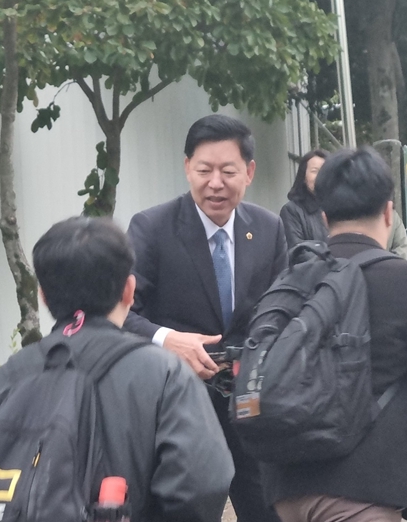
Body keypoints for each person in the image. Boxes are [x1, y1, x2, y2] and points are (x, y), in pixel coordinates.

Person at [0, 217, 235, 522]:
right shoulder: (165, 374)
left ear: (43, 296)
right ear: (129, 290)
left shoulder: (7, 377)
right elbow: (203, 484)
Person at [261, 147, 407, 522]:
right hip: (368, 490)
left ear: (324, 217)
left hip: (287, 489)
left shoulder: (294, 276)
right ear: (388, 212)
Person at [124, 114, 287, 522]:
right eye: (204, 170)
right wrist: (166, 339)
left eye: (228, 171)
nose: (215, 183)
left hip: (249, 404)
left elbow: (283, 310)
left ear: (249, 172)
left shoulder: (268, 229)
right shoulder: (151, 228)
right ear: (187, 168)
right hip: (178, 407)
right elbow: (121, 313)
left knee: (266, 509)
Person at [279, 150, 329, 250]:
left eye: (325, 171)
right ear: (303, 176)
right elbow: (297, 251)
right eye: (314, 171)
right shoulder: (291, 211)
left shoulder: (340, 208)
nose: (320, 176)